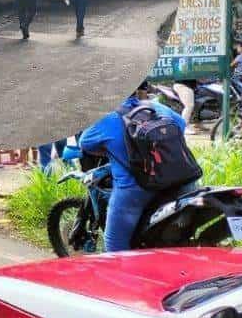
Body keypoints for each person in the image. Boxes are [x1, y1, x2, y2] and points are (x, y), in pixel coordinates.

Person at [79, 81, 186, 252]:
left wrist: (112, 148)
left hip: (135, 189)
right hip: (179, 179)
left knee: (114, 245)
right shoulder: (156, 107)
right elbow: (181, 125)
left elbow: (85, 144)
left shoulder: (108, 118)